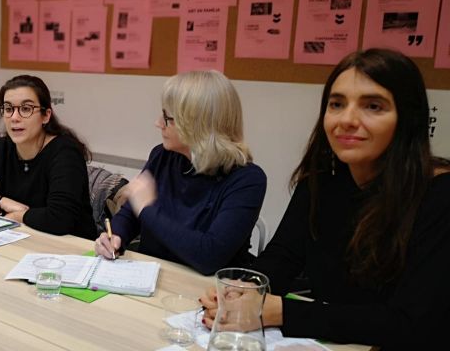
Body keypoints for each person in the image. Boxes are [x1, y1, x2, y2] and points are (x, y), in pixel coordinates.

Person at [200, 49, 450, 349]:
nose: (347, 119)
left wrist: (280, 311)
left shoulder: (439, 194)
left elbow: (410, 323)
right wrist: (246, 290)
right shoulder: (322, 179)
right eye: (336, 104)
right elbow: (284, 255)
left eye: (373, 106)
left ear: (407, 118)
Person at [95, 71, 267, 275]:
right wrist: (114, 237)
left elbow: (209, 257)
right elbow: (130, 214)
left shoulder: (247, 180)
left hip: (209, 293)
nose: (158, 123)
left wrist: (147, 209)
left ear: (197, 125)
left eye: (168, 118)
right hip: (155, 280)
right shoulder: (162, 156)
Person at [0, 75, 96, 239]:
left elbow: (59, 219)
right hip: (22, 239)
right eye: (8, 109)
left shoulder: (65, 152)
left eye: (26, 109)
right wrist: (1, 202)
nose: (15, 117)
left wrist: (19, 216)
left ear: (46, 116)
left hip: (71, 249)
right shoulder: (3, 147)